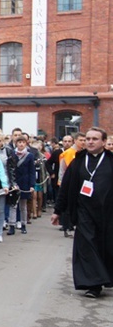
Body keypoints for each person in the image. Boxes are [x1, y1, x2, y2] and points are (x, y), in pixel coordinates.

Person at [52, 127, 113, 298]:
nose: (90, 142)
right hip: (84, 212)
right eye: (88, 139)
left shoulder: (110, 161)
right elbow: (66, 187)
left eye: (95, 139)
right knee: (87, 246)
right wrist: (58, 210)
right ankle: (93, 284)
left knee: (106, 247)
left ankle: (104, 277)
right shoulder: (78, 161)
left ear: (103, 142)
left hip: (107, 214)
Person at [8, 136, 36, 235]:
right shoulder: (12, 154)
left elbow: (32, 171)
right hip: (14, 182)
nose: (21, 144)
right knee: (13, 205)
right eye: (19, 142)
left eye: (23, 142)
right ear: (16, 143)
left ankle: (23, 224)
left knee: (23, 206)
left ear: (26, 143)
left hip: (25, 183)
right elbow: (10, 169)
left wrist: (32, 185)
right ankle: (12, 225)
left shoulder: (30, 156)